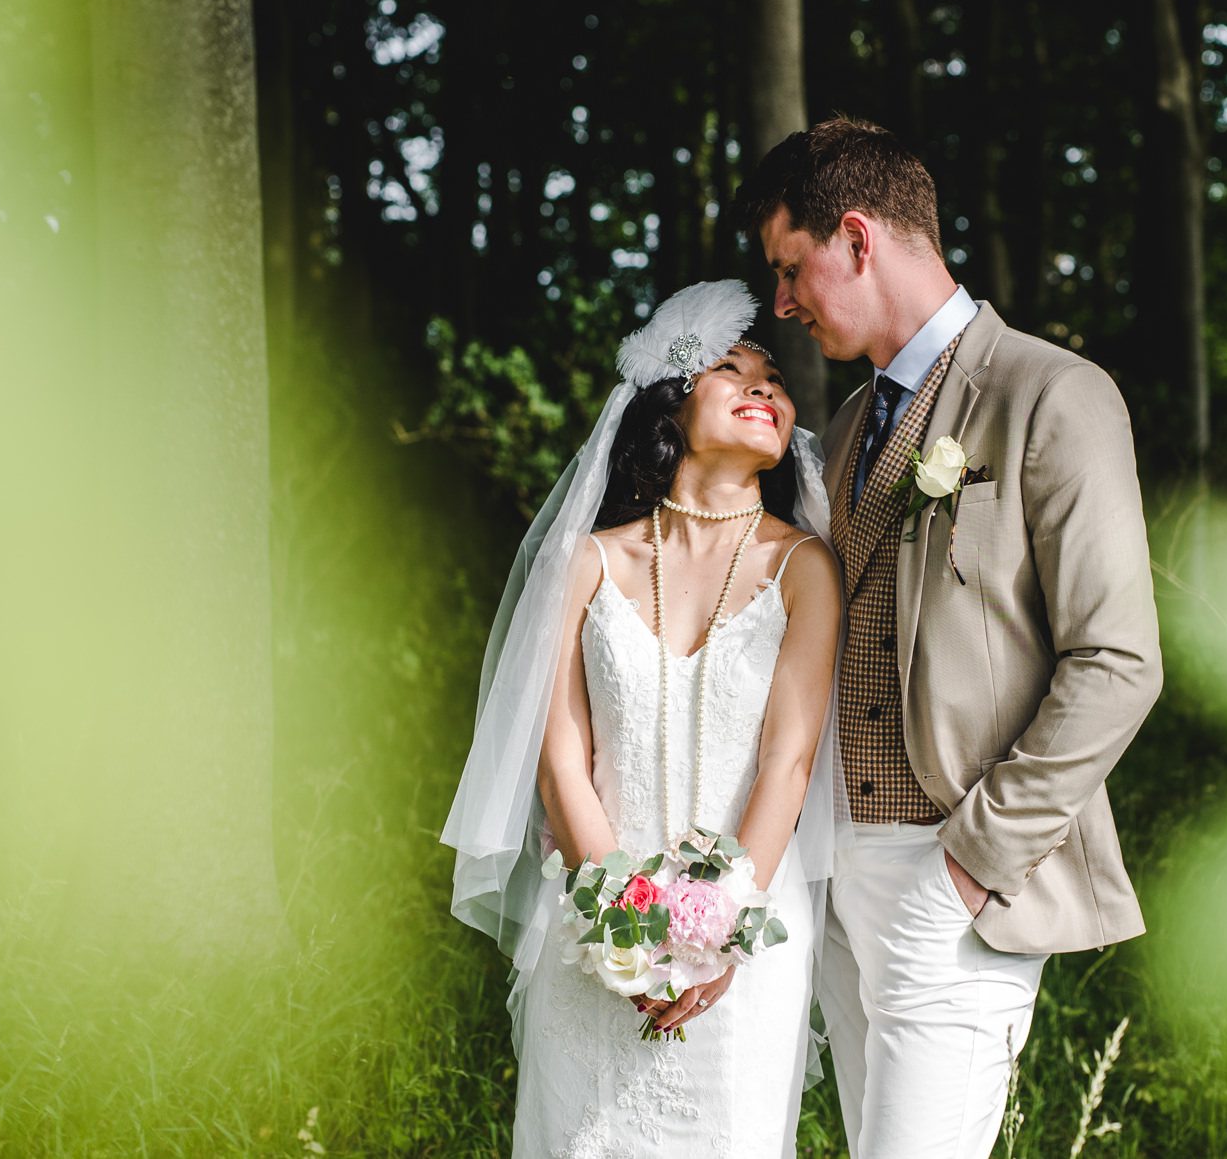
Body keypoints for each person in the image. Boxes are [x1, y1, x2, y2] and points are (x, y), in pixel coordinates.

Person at [731, 117, 1165, 1159]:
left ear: (855, 236)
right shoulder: (838, 431)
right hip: (832, 877)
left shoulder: (1051, 393)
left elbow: (1117, 662)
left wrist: (972, 860)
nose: (782, 302)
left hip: (955, 868)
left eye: (791, 269)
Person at [441, 281, 846, 1158]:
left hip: (745, 938)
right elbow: (559, 761)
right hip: (596, 929)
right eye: (730, 368)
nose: (762, 387)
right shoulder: (584, 560)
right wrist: (623, 922)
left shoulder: (806, 565)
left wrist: (722, 929)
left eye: (774, 378)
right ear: (669, 402)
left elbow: (790, 760)